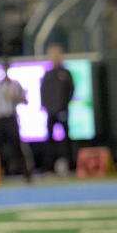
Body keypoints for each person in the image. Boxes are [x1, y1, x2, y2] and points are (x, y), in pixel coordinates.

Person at [40, 44, 74, 174]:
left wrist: (63, 106)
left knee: (66, 140)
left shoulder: (66, 73)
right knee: (49, 140)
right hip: (50, 112)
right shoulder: (47, 74)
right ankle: (49, 166)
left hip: (63, 110)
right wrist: (47, 107)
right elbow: (43, 92)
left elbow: (71, 91)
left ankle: (70, 166)